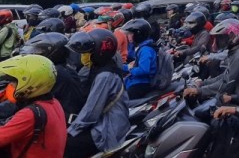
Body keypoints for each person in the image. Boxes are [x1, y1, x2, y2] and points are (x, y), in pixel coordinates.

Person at [65, 29, 129, 157]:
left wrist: (70, 131)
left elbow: (91, 112)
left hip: (107, 129)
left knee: (66, 145)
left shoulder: (105, 76)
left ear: (98, 52)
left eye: (87, 53)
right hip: (102, 122)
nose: (83, 56)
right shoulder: (98, 67)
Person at [0, 55, 66, 158]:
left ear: (30, 84)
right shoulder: (53, 102)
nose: (10, 85)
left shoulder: (30, 114)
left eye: (14, 82)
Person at [20, 33, 84, 123]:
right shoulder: (65, 68)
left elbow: (27, 97)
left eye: (40, 51)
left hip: (62, 122)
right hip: (64, 117)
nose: (36, 54)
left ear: (53, 52)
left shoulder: (54, 73)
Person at [183, 19, 239, 100]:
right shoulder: (235, 52)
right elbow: (225, 76)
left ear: (232, 36)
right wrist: (203, 82)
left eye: (221, 38)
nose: (219, 41)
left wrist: (200, 90)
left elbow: (227, 83)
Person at [121, 19, 157, 99]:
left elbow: (143, 70)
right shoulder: (141, 47)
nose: (128, 36)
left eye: (130, 34)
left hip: (140, 84)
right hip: (136, 81)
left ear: (138, 34)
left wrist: (130, 69)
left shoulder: (145, 50)